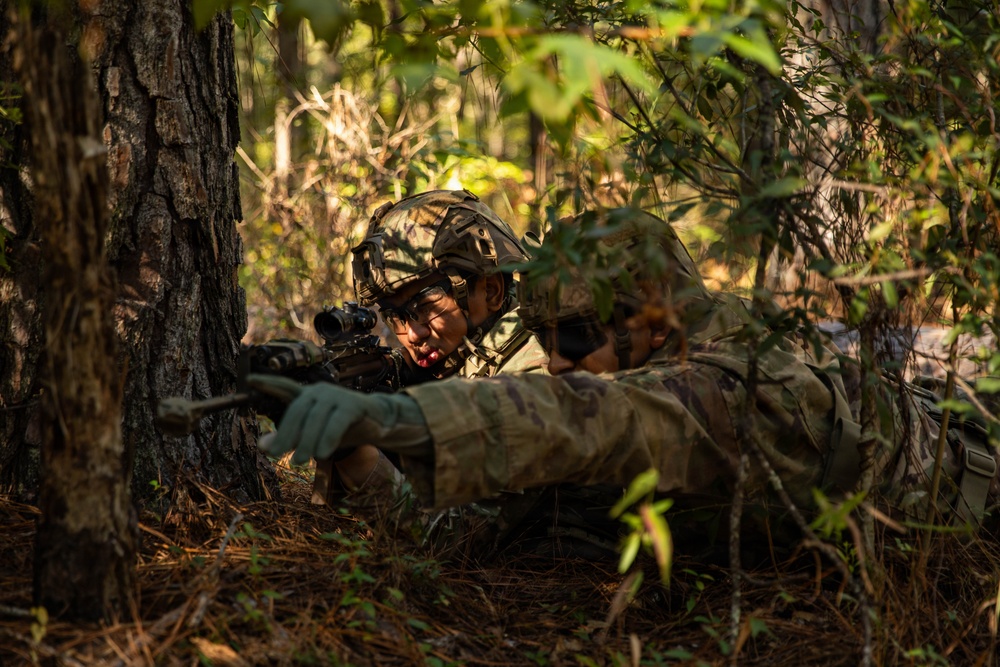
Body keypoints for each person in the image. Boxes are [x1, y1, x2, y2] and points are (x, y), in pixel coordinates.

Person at [255, 206, 998, 561]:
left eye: (577, 338)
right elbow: (463, 533)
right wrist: (355, 450)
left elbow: (584, 419)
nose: (556, 362)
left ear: (655, 319)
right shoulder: (641, 390)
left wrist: (394, 416)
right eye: (546, 341)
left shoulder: (730, 385)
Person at [315, 189, 549, 504]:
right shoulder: (452, 361)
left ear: (490, 291)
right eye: (394, 316)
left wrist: (357, 451)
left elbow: (462, 540)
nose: (412, 334)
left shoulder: (535, 369)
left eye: (425, 308)